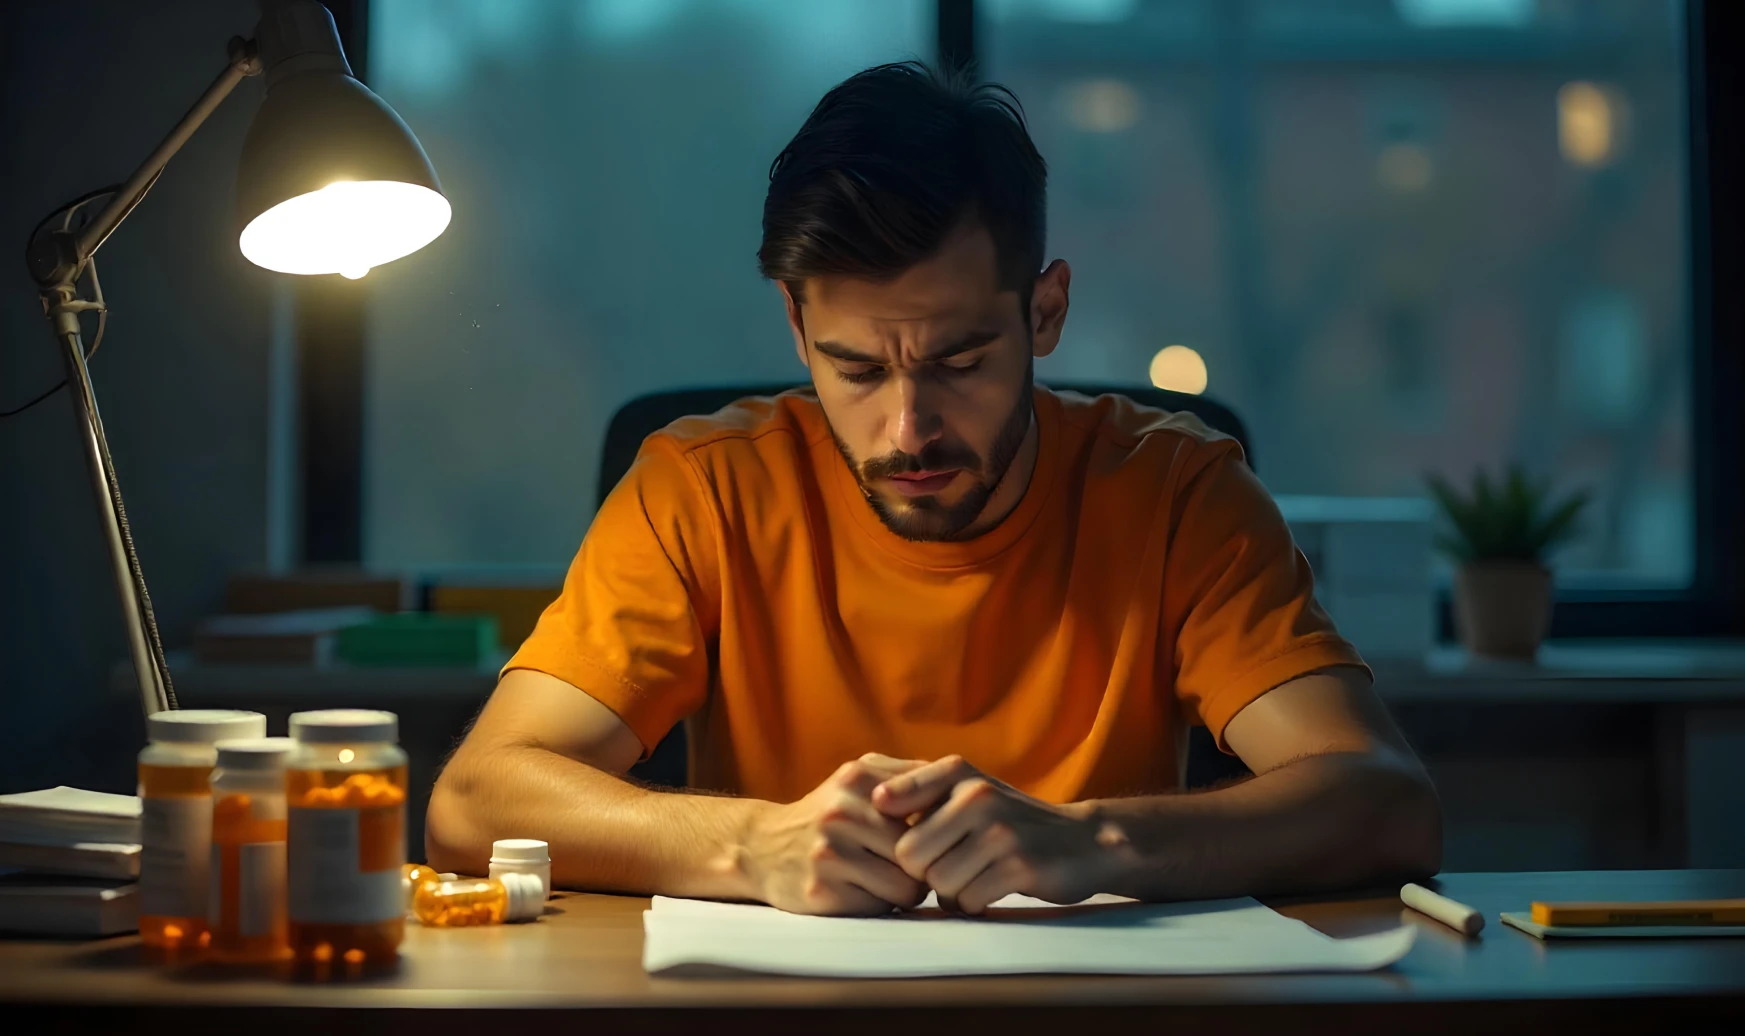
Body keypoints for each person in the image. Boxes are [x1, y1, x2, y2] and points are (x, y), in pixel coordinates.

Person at [426, 61, 1440, 916]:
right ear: (795, 329)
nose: (907, 429)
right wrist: (752, 845)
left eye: (959, 362)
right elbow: (474, 798)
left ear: (1045, 311)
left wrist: (1093, 842)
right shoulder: (700, 491)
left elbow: (1384, 801)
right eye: (858, 369)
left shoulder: (1177, 492)